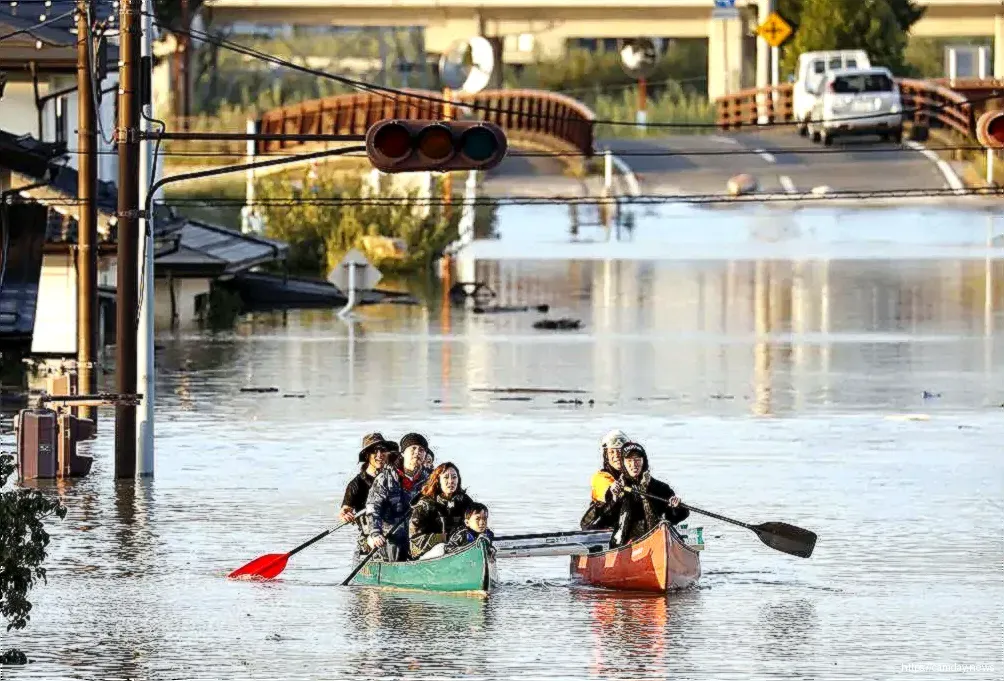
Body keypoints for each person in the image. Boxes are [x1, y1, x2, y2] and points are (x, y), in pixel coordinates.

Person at [604, 442, 689, 548]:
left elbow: (678, 517)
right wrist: (614, 499)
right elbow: (604, 520)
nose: (634, 465)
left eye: (637, 460)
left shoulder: (660, 488)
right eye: (629, 460)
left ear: (644, 462)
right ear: (623, 463)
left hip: (656, 543)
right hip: (625, 545)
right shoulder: (615, 490)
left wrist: (676, 508)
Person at [364, 432, 431, 561]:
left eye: (421, 450)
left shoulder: (431, 479)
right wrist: (375, 533)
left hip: (420, 533)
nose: (417, 452)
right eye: (413, 448)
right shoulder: (385, 478)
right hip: (391, 534)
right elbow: (373, 508)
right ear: (402, 453)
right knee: (397, 542)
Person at [408, 462, 473, 558]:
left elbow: (477, 521)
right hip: (430, 554)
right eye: (446, 477)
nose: (451, 481)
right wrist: (444, 538)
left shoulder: (465, 502)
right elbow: (415, 540)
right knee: (442, 548)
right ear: (438, 480)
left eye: (454, 477)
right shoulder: (424, 505)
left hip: (460, 550)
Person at [339, 432, 398, 524]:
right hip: (370, 532)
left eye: (383, 450)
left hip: (398, 528)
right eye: (374, 451)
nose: (379, 455)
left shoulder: (396, 477)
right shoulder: (356, 484)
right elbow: (345, 510)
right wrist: (345, 515)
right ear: (367, 455)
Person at [580, 429, 630, 531]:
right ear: (606, 455)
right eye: (612, 451)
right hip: (603, 525)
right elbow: (607, 487)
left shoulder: (638, 476)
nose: (616, 455)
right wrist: (613, 488)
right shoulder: (600, 477)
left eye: (620, 451)